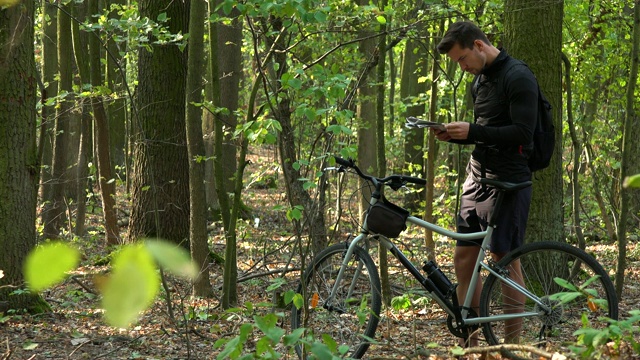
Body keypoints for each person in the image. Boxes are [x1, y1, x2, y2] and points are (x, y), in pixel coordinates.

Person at [434, 21, 539, 346]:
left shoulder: (518, 76)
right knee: (464, 260)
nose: (462, 67)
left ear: (479, 45)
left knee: (504, 261)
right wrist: (456, 135)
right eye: (457, 63)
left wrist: (474, 131)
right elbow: (487, 132)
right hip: (475, 178)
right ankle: (474, 345)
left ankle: (508, 347)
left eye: (463, 58)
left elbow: (523, 133)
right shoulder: (479, 81)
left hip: (509, 182)